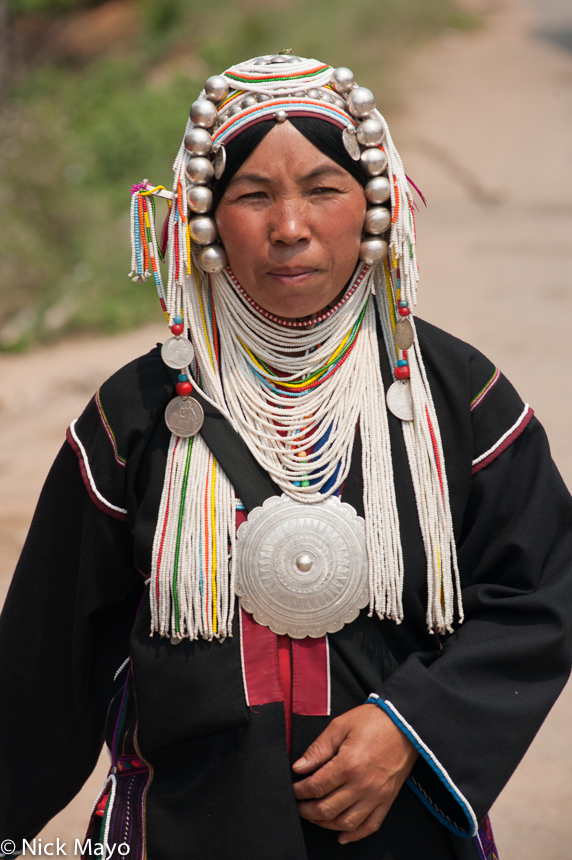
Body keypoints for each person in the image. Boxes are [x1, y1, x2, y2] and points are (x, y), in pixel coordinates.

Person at [1, 53, 571, 860]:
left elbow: (541, 589)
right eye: (253, 195)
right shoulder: (137, 416)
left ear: (374, 207)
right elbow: (40, 674)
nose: (290, 227)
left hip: (401, 829)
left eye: (323, 189)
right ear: (202, 218)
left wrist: (413, 727)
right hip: (185, 830)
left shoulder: (458, 397)